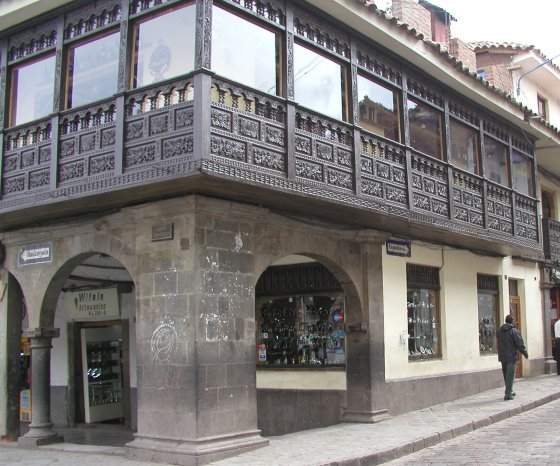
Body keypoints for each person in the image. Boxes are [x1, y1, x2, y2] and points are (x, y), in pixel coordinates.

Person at [497, 314, 528, 401]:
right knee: (510, 375)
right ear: (512, 321)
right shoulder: (514, 331)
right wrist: (525, 353)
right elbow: (520, 344)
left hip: (502, 356)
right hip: (511, 356)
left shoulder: (499, 331)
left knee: (506, 374)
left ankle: (509, 390)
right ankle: (508, 394)